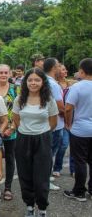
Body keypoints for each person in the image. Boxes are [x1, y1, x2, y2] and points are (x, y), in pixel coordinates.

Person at [12, 68, 58, 217]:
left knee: (41, 178)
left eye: (37, 80)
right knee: (25, 176)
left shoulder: (49, 100)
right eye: (30, 80)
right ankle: (30, 207)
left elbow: (53, 123)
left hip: (43, 140)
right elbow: (16, 120)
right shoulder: (19, 100)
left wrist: (40, 132)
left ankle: (42, 208)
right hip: (23, 139)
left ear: (42, 82)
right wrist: (27, 131)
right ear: (25, 82)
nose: (33, 83)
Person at [64, 58, 92, 202]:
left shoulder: (78, 87)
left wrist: (69, 124)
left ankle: (79, 192)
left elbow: (68, 108)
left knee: (80, 161)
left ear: (82, 71)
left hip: (80, 129)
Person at [0, 64, 18, 201]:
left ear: (10, 74)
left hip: (10, 131)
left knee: (9, 158)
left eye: (6, 72)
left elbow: (20, 110)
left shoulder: (15, 89)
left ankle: (7, 188)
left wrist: (12, 127)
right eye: (0, 72)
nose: (3, 75)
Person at [43, 58, 64, 191]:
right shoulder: (53, 84)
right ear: (53, 68)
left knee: (47, 153)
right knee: (49, 154)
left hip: (47, 123)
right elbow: (60, 106)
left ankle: (45, 176)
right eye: (57, 66)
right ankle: (45, 179)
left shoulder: (44, 81)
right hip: (55, 124)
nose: (59, 68)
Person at [55, 64, 73, 177]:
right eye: (63, 69)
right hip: (58, 118)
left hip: (69, 117)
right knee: (58, 145)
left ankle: (70, 169)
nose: (65, 71)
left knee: (65, 144)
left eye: (65, 69)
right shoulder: (54, 85)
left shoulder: (70, 84)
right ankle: (55, 167)